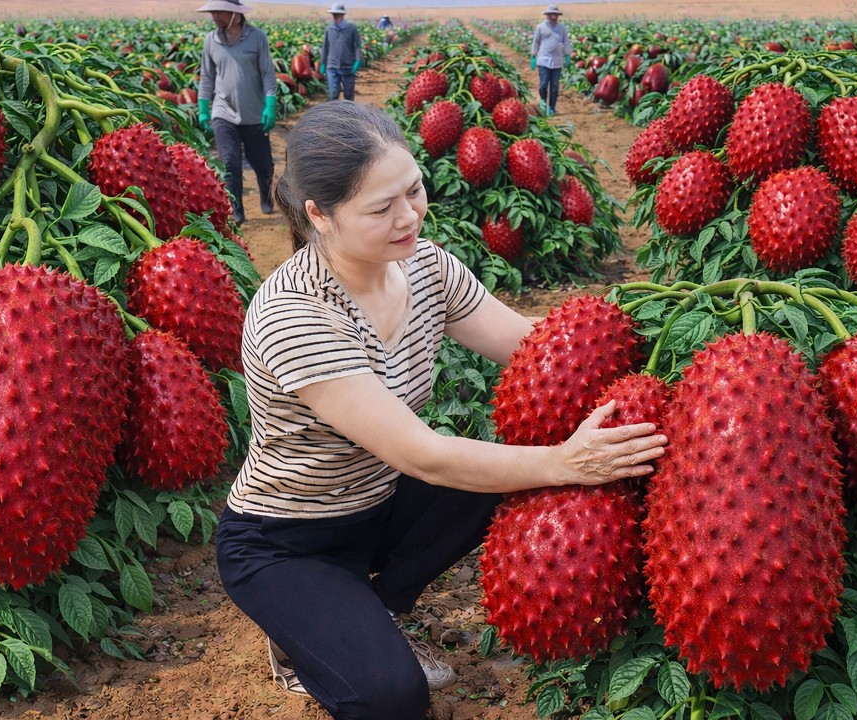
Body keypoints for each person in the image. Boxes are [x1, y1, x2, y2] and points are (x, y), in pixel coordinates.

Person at [214, 101, 667, 720]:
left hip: (380, 506)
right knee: (394, 700)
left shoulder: (424, 266)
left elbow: (535, 346)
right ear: (319, 215)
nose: (409, 217)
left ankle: (381, 606)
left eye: (413, 190)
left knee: (508, 462)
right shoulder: (296, 315)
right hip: (287, 541)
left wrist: (656, 328)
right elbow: (423, 454)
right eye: (381, 209)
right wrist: (569, 462)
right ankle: (301, 640)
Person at [196, 0, 277, 223]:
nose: (214, 16)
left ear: (235, 14)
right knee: (229, 161)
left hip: (254, 113)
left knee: (262, 163)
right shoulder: (211, 40)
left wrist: (270, 104)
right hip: (223, 112)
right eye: (212, 12)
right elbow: (207, 77)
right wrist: (203, 108)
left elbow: (267, 74)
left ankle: (267, 197)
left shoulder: (257, 37)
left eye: (219, 11)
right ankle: (236, 209)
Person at [530, 4, 571, 116]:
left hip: (557, 61)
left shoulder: (561, 28)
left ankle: (552, 107)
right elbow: (536, 42)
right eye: (551, 14)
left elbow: (566, 42)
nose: (554, 16)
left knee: (554, 86)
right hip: (543, 60)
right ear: (547, 15)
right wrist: (533, 55)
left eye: (555, 15)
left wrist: (567, 55)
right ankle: (543, 101)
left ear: (558, 16)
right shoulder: (541, 27)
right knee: (543, 84)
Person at [321, 3, 363, 101]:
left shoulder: (351, 28)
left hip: (348, 67)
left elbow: (357, 46)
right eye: (333, 14)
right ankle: (334, 115)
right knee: (333, 94)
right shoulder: (329, 29)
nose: (335, 16)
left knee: (348, 95)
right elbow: (325, 47)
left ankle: (347, 114)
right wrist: (323, 62)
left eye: (337, 14)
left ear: (343, 15)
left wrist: (358, 60)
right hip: (332, 67)